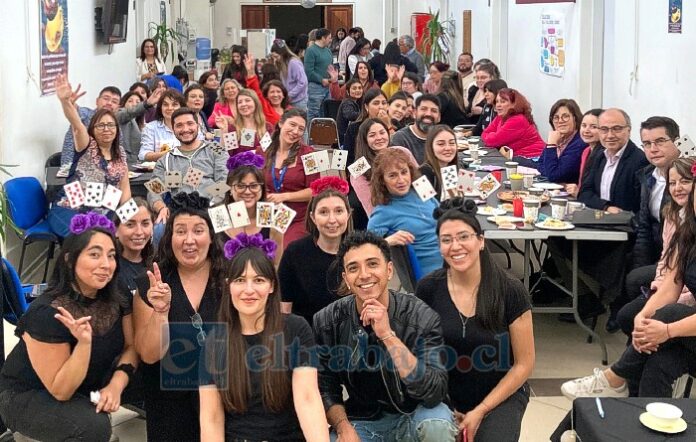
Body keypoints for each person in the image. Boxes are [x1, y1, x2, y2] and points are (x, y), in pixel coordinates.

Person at [561, 169, 696, 399]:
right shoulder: (689, 232)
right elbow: (672, 283)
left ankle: (614, 377)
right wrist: (644, 316)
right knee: (658, 360)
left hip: (685, 323)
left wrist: (665, 330)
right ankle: (636, 417)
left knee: (670, 315)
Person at [0, 213, 136, 442]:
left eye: (111, 255)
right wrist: (84, 343)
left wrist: (115, 386)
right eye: (94, 254)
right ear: (70, 259)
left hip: (87, 383)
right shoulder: (47, 312)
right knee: (93, 426)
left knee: (157, 374)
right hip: (28, 394)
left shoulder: (116, 292)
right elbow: (61, 390)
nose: (106, 264)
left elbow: (132, 347)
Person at [313, 230, 457, 442]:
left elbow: (433, 392)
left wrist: (388, 336)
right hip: (364, 421)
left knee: (437, 425)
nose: (363, 275)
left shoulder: (420, 315)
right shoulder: (327, 321)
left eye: (372, 264)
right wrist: (343, 427)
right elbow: (326, 388)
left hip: (416, 413)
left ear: (389, 270)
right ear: (346, 278)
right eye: (353, 268)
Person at [417, 198, 534, 442]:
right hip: (446, 394)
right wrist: (445, 405)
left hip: (501, 394)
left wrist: (481, 410)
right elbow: (422, 356)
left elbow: (524, 364)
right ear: (439, 246)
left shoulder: (511, 290)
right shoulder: (428, 289)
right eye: (446, 240)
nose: (455, 246)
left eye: (464, 237)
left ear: (480, 240)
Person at [199, 233, 329, 441]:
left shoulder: (296, 329)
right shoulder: (214, 342)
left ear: (271, 286)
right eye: (240, 280)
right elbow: (211, 416)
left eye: (258, 280)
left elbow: (307, 399)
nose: (249, 290)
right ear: (228, 286)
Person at [132, 192, 223, 442]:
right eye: (180, 231)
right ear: (169, 237)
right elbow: (149, 355)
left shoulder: (229, 280)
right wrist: (160, 312)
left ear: (212, 236)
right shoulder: (150, 283)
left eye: (198, 230)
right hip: (169, 399)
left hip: (223, 395)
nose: (189, 240)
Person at [615, 158, 695, 339]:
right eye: (672, 183)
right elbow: (666, 259)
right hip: (671, 284)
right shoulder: (672, 215)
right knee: (629, 316)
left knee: (657, 318)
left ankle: (628, 364)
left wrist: (671, 296)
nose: (678, 188)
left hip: (687, 293)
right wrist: (658, 286)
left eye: (685, 181)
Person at [49, 75, 131, 238]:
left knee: (122, 235)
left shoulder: (120, 153)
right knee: (86, 239)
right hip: (71, 207)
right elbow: (77, 124)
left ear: (117, 129)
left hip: (104, 210)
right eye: (101, 125)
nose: (106, 129)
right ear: (92, 129)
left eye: (110, 125)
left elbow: (125, 189)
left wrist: (129, 219)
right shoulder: (86, 145)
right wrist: (65, 102)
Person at [279, 177, 351, 326]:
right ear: (312, 217)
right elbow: (284, 308)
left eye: (338, 211)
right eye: (323, 212)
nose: (332, 220)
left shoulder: (359, 251)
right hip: (307, 337)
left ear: (348, 215)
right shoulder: (295, 253)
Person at [148, 108, 228, 228]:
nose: (185, 129)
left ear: (198, 126)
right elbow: (154, 190)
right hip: (180, 212)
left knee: (224, 227)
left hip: (213, 207)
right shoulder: (166, 159)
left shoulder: (215, 148)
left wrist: (210, 204)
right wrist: (161, 207)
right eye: (179, 125)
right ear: (173, 129)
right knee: (159, 227)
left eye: (190, 124)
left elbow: (224, 181)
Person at [368, 149, 442, 275]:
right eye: (392, 175)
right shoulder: (383, 212)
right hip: (434, 273)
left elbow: (443, 215)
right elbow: (365, 249)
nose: (401, 180)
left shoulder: (421, 188)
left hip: (452, 253)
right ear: (382, 180)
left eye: (404, 172)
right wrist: (388, 241)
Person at [261, 109, 319, 247]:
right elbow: (254, 181)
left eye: (300, 129)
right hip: (267, 213)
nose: (295, 131)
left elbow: (315, 191)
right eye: (292, 125)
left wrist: (284, 196)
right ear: (281, 123)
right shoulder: (263, 151)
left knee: (284, 248)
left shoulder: (309, 155)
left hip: (297, 217)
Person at [578, 108, 649, 213]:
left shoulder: (640, 161)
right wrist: (606, 207)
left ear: (628, 131)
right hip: (598, 220)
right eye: (604, 129)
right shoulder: (598, 155)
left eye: (616, 129)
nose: (610, 135)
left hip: (625, 225)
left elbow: (639, 205)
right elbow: (584, 193)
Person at [632, 116, 681, 268]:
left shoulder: (688, 179)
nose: (653, 149)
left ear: (677, 142)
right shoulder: (647, 176)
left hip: (681, 258)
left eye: (660, 141)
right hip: (657, 252)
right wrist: (639, 266)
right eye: (647, 144)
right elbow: (644, 229)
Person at [220, 151, 284, 259]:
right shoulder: (218, 216)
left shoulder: (275, 219)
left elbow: (276, 265)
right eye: (240, 186)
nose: (248, 192)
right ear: (230, 188)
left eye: (254, 186)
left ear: (262, 188)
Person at [350, 119, 418, 217]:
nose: (379, 138)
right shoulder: (358, 167)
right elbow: (372, 208)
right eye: (372, 135)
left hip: (416, 208)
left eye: (382, 133)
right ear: (364, 140)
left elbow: (422, 185)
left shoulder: (402, 151)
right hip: (388, 218)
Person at [58, 84, 122, 169]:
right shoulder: (86, 115)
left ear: (118, 107)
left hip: (104, 172)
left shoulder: (116, 129)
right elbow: (75, 112)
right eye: (106, 99)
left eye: (114, 101)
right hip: (72, 169)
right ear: (97, 101)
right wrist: (69, 103)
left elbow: (117, 153)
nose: (109, 103)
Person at [483, 88, 545, 161]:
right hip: (519, 157)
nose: (498, 105)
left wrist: (492, 135)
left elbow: (492, 141)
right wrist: (493, 135)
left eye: (503, 102)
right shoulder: (501, 117)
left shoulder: (517, 120)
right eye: (497, 102)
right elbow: (484, 133)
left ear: (514, 104)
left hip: (534, 158)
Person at [537, 98, 586, 183]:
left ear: (575, 118)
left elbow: (555, 176)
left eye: (565, 116)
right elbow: (540, 164)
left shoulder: (580, 142)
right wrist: (550, 172)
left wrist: (551, 145)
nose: (560, 121)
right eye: (556, 117)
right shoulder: (557, 138)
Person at [116, 197, 155, 294]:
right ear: (115, 230)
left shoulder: (159, 262)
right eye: (130, 225)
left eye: (145, 224)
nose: (139, 232)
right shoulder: (109, 267)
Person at [342, 88, 391, 163]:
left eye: (384, 103)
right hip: (362, 167)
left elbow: (395, 148)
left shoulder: (395, 124)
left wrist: (388, 126)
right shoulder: (354, 128)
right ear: (366, 107)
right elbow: (348, 158)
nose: (381, 107)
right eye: (376, 103)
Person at [139, 89, 188, 162]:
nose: (170, 108)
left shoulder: (190, 127)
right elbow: (143, 155)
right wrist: (168, 154)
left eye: (174, 104)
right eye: (165, 104)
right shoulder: (150, 128)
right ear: (160, 107)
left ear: (182, 107)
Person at [391, 94, 442, 164]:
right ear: (414, 113)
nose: (428, 114)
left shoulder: (441, 137)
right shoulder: (401, 139)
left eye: (434, 110)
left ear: (439, 117)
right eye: (424, 109)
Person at [119, 87, 164, 166]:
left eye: (138, 102)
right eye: (130, 101)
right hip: (126, 165)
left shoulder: (145, 125)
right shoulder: (120, 116)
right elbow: (129, 113)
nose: (134, 104)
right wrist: (147, 103)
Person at [565, 109, 603, 197]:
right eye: (584, 125)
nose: (586, 130)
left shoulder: (605, 154)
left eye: (593, 127)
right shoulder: (586, 151)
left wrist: (579, 193)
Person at [225, 88, 274, 153]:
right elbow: (228, 154)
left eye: (247, 100)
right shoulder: (232, 128)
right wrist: (224, 130)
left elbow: (267, 152)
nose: (243, 104)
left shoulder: (267, 127)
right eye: (240, 102)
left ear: (255, 103)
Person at [419, 125, 459, 197]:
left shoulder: (457, 166)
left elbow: (464, 197)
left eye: (452, 143)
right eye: (441, 144)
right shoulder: (422, 173)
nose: (448, 148)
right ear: (431, 147)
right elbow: (425, 206)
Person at [304, 28, 333, 123]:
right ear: (323, 38)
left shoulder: (328, 51)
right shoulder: (311, 51)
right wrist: (321, 80)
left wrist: (334, 75)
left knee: (326, 112)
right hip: (315, 88)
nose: (330, 40)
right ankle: (311, 136)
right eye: (329, 38)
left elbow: (330, 67)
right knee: (314, 114)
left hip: (328, 87)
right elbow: (308, 71)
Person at [271, 39, 309, 110]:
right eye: (273, 57)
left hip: (298, 101)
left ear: (283, 53)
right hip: (288, 100)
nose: (275, 59)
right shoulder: (282, 64)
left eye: (276, 57)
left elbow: (303, 82)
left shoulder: (294, 62)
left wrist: (290, 95)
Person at [336, 78, 364, 146]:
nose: (357, 90)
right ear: (348, 91)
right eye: (354, 88)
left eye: (360, 88)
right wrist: (365, 115)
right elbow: (349, 115)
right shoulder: (347, 103)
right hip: (344, 140)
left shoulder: (357, 102)